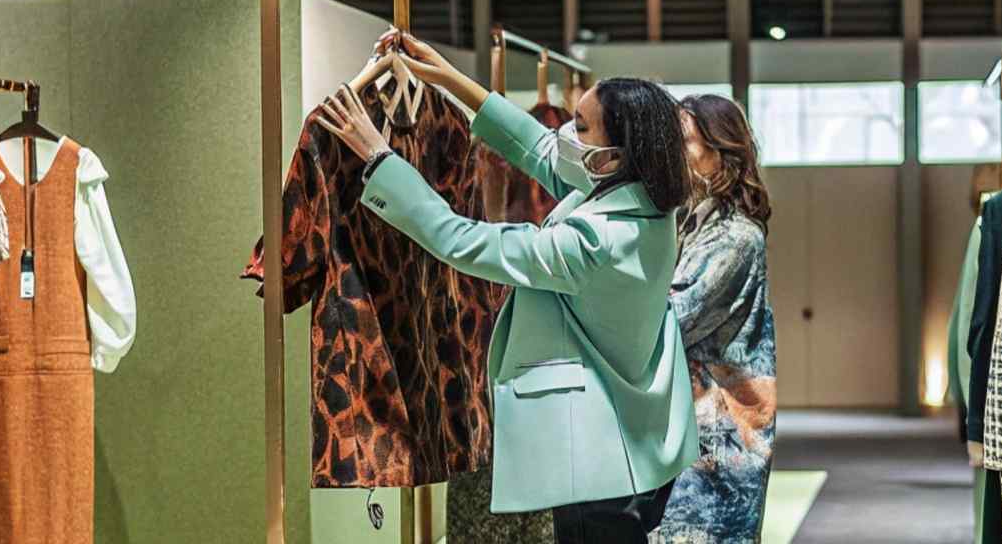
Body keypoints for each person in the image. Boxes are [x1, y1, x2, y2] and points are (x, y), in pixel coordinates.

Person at [317, 30, 699, 544]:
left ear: (612, 157)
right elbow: (540, 150)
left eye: (580, 126)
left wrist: (380, 159)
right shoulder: (646, 202)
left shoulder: (595, 240)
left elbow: (462, 240)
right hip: (633, 445)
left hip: (602, 461)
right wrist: (449, 78)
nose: (565, 131)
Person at [652, 95, 778, 543]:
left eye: (685, 141)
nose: (675, 154)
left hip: (720, 443)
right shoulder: (693, 222)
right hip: (695, 433)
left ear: (721, 152)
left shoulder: (735, 237)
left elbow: (672, 316)